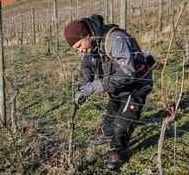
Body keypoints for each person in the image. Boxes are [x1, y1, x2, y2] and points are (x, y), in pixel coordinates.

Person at [64, 14, 154, 170]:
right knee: (112, 113)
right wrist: (83, 88)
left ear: (87, 36)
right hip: (116, 86)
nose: (80, 50)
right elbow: (87, 67)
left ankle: (116, 150)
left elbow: (127, 74)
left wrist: (93, 87)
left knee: (122, 123)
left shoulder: (114, 40)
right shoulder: (91, 45)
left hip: (136, 85)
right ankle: (106, 132)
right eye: (76, 49)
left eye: (79, 45)